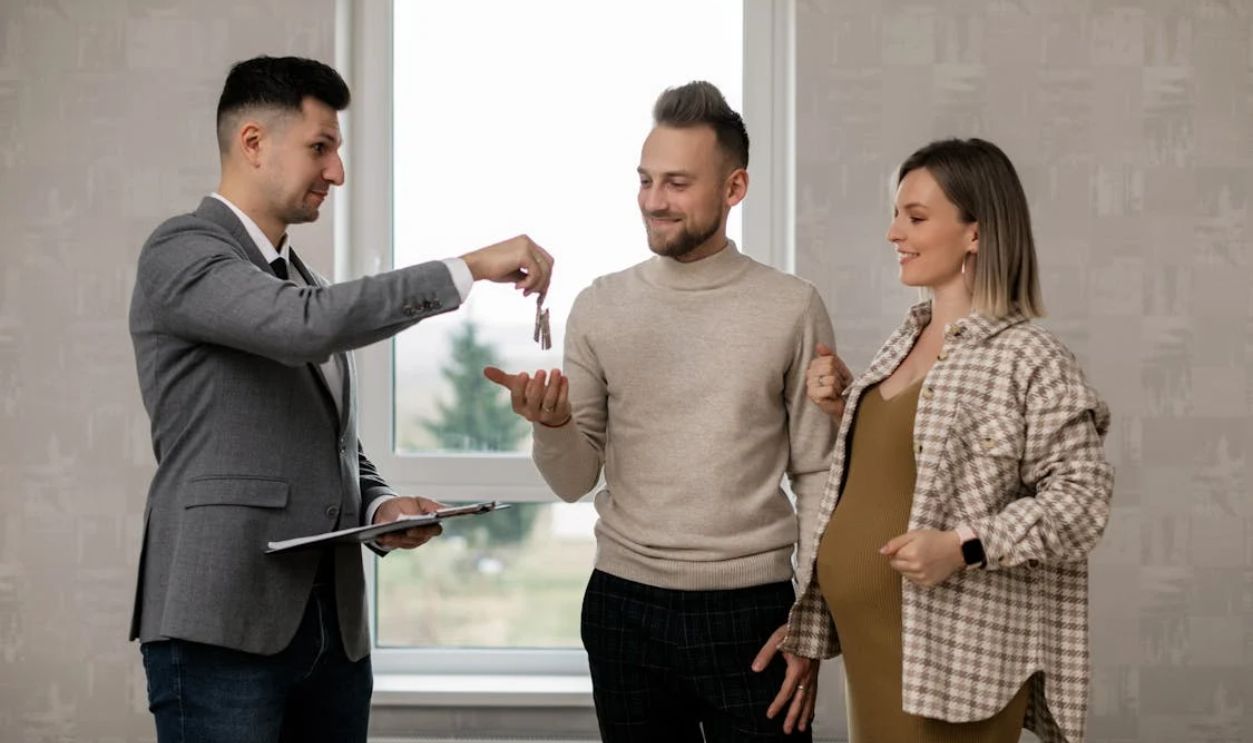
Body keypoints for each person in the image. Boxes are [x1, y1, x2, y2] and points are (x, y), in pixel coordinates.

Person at [128, 55, 553, 743]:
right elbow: (306, 326)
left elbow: (329, 440)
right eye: (320, 147)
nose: (337, 172)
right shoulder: (182, 250)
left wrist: (380, 504)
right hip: (222, 624)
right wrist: (467, 268)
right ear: (254, 143)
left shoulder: (300, 279)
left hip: (333, 636)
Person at [485, 81, 848, 740]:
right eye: (646, 180)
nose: (654, 201)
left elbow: (818, 469)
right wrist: (553, 425)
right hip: (624, 606)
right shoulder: (601, 305)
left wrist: (811, 615)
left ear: (733, 188)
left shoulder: (789, 305)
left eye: (676, 183)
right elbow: (572, 480)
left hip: (754, 610)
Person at [785, 138, 1114, 743]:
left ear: (975, 234)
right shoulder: (906, 338)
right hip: (874, 648)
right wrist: (847, 406)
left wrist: (963, 547)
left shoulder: (1030, 357)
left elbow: (1083, 503)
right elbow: (919, 466)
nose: (893, 233)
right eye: (895, 214)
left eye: (915, 217)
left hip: (954, 660)